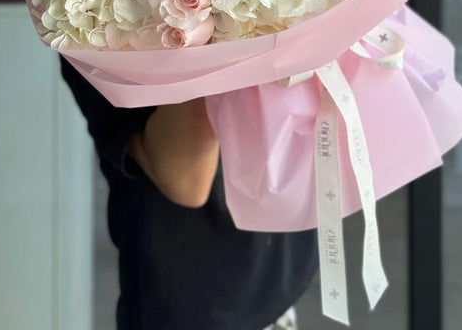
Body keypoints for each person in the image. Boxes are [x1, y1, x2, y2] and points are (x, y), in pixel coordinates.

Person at [60, 54, 318, 330]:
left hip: (280, 274)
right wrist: (218, 37)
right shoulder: (89, 28)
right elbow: (187, 183)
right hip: (195, 299)